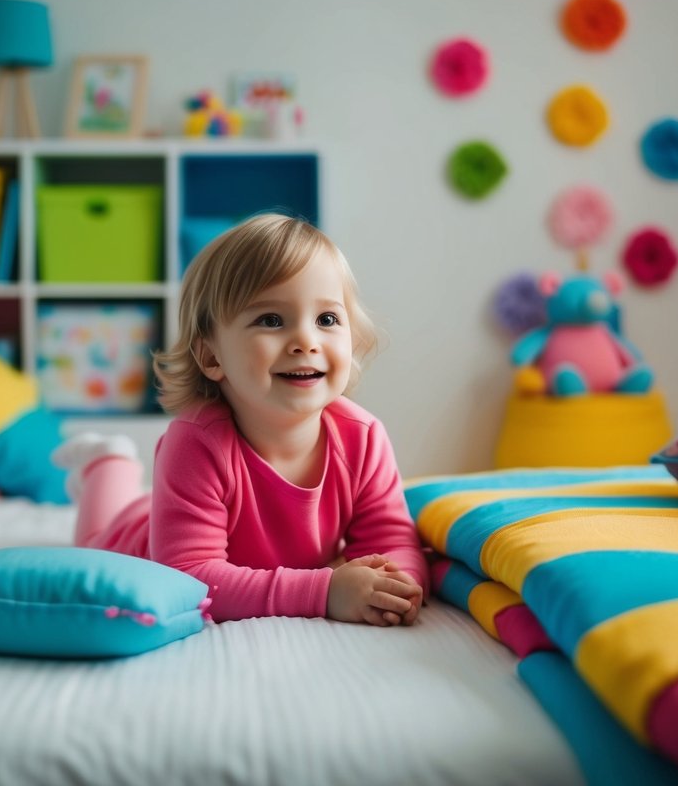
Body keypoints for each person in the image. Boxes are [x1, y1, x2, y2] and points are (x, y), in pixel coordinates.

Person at [53, 213, 428, 626]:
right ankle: (108, 462)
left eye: (327, 319)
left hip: (183, 510)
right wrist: (322, 592)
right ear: (213, 356)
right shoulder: (195, 443)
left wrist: (397, 586)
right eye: (271, 320)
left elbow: (393, 540)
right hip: (137, 539)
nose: (306, 341)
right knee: (90, 540)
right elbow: (190, 578)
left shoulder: (363, 437)